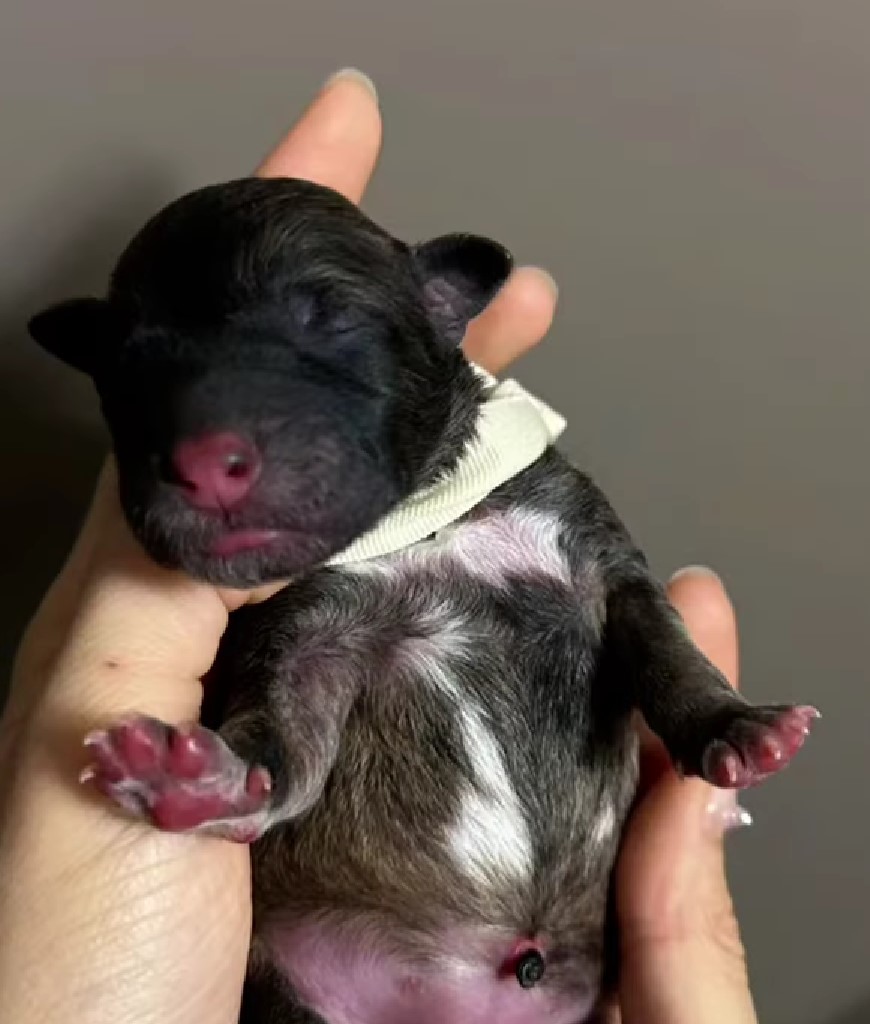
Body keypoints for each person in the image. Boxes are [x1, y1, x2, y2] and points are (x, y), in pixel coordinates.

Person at [0, 68, 758, 1024]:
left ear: (444, 306)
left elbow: (629, 602)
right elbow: (297, 709)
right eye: (145, 377)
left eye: (325, 326)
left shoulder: (537, 492)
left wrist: (708, 714)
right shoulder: (302, 589)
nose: (202, 451)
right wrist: (234, 782)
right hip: (321, 990)